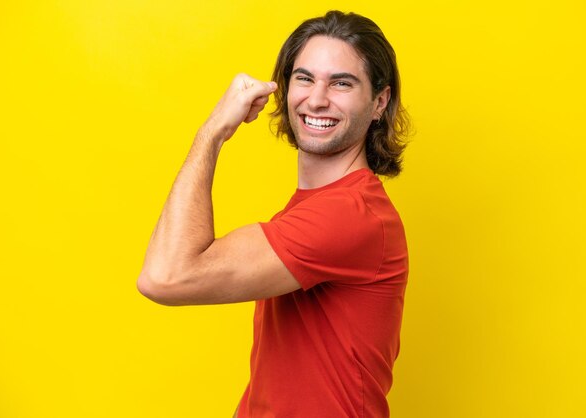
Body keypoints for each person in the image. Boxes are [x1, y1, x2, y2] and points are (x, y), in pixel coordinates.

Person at [137, 10, 410, 418]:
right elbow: (281, 373)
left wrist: (213, 131)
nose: (317, 99)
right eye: (304, 78)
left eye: (341, 83)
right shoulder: (313, 208)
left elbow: (166, 276)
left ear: (379, 102)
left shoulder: (349, 215)